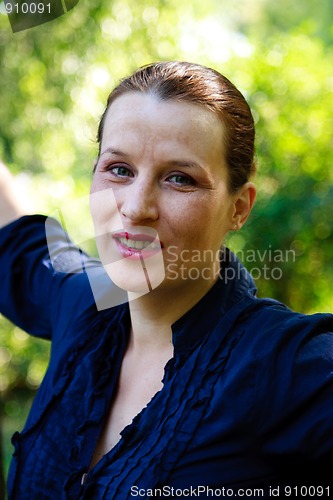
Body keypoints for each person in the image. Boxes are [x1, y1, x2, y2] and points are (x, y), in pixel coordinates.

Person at [0, 61, 332, 500]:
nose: (136, 207)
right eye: (119, 169)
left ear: (239, 207)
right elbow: (22, 246)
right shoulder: (83, 304)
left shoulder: (287, 363)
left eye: (180, 179)